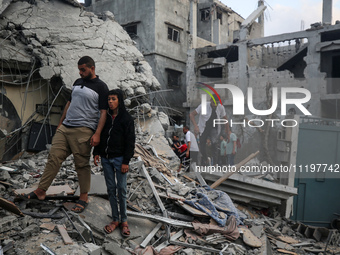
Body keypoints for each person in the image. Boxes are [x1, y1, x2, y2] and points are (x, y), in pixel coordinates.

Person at [24, 56, 109, 213]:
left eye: (83, 69)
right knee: (53, 158)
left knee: (81, 164)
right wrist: (60, 124)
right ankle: (41, 191)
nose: (80, 72)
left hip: (84, 130)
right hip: (66, 127)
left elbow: (103, 113)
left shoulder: (101, 87)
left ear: (92, 68)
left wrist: (97, 133)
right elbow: (69, 104)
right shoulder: (77, 82)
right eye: (79, 69)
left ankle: (83, 196)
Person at [93, 89, 135, 237]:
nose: (110, 102)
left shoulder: (126, 119)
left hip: (119, 160)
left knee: (121, 190)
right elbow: (101, 135)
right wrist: (96, 152)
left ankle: (124, 221)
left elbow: (130, 142)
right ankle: (115, 219)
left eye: (113, 99)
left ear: (120, 101)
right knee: (111, 189)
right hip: (106, 158)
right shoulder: (105, 118)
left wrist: (126, 161)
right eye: (109, 99)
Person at [190, 94, 229, 166]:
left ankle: (214, 164)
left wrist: (228, 134)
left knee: (215, 144)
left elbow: (225, 119)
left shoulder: (220, 107)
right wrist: (196, 126)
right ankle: (206, 159)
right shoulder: (203, 106)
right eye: (214, 103)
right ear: (210, 101)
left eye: (217, 103)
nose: (215, 105)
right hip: (204, 128)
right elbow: (191, 114)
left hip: (214, 128)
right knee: (202, 146)